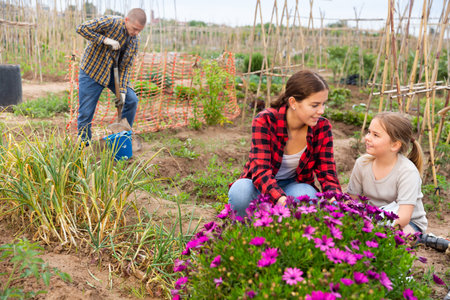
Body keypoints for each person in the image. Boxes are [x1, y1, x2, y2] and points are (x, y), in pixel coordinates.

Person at [228, 70, 342, 216]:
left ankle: (284, 233)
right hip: (259, 185)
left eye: (323, 104)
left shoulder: (321, 127)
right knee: (241, 193)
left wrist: (336, 199)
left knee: (307, 197)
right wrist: (281, 201)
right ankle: (246, 231)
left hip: (293, 185)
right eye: (315, 105)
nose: (321, 111)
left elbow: (327, 173)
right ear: (293, 102)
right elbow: (260, 170)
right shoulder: (266, 121)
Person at [347, 112, 428, 234]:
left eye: (375, 135)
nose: (367, 137)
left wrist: (377, 230)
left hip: (408, 222)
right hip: (374, 218)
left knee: (395, 238)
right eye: (369, 132)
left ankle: (426, 239)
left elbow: (403, 217)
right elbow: (352, 200)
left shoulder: (407, 171)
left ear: (395, 145)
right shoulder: (362, 164)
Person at [76, 8, 146, 142]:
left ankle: (123, 138)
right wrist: (105, 40)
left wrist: (123, 91)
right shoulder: (110, 22)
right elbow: (81, 28)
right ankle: (84, 147)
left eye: (139, 30)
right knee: (86, 113)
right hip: (93, 72)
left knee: (131, 100)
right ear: (126, 20)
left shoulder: (135, 40)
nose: (136, 33)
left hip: (114, 76)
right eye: (134, 28)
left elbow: (126, 67)